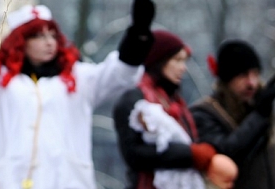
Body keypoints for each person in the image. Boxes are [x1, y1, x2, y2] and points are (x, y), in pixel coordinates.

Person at [0, 0, 156, 189]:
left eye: (52, 35)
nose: (49, 42)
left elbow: (119, 74)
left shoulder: (77, 78)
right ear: (20, 41)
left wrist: (138, 33)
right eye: (38, 36)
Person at [113, 29, 238, 189]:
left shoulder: (176, 102)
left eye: (184, 61)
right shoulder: (134, 100)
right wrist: (191, 155)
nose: (183, 68)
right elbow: (134, 154)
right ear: (158, 60)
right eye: (177, 60)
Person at [191, 39, 275, 188]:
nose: (252, 83)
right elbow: (227, 152)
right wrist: (260, 114)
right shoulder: (204, 114)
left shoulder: (259, 107)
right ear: (227, 79)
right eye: (243, 75)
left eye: (255, 74)